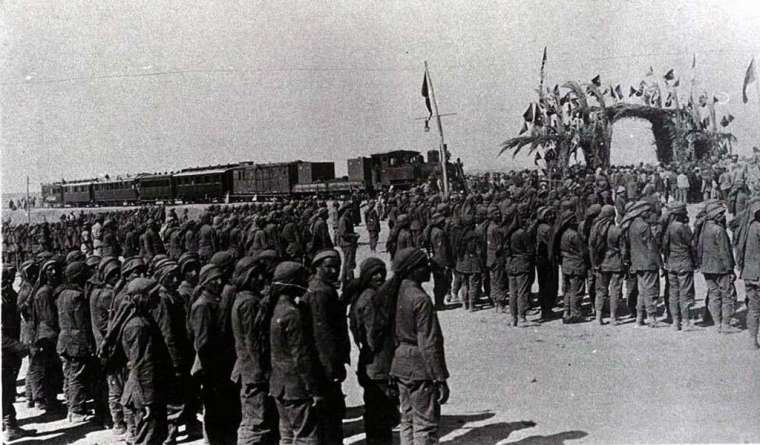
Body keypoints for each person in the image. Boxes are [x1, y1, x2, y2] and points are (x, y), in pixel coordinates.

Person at [388, 248, 449, 444]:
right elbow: (429, 343)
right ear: (412, 269)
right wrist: (439, 377)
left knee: (407, 419)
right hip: (419, 366)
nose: (429, 269)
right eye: (424, 265)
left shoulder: (396, 291)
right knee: (425, 424)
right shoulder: (420, 299)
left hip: (399, 363)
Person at [269, 261, 323, 444]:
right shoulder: (293, 314)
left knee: (286, 435)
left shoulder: (276, 309)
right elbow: (300, 356)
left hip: (279, 385)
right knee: (306, 437)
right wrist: (312, 389)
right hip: (296, 387)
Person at [347, 258, 399, 444]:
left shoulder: (362, 296)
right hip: (378, 363)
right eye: (374, 273)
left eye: (381, 272)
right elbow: (372, 336)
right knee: (380, 412)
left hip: (369, 362)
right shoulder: (370, 299)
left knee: (376, 411)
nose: (379, 276)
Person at [231, 253, 279, 444]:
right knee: (255, 423)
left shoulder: (244, 298)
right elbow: (254, 342)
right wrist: (264, 372)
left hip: (249, 369)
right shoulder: (249, 303)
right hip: (254, 372)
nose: (261, 278)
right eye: (255, 275)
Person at [189, 264, 240, 444]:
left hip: (218, 365)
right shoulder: (203, 306)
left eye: (220, 278)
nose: (219, 282)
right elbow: (202, 343)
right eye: (214, 280)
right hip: (212, 368)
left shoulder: (214, 301)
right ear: (205, 283)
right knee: (214, 411)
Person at [305, 249, 350, 443]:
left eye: (336, 267)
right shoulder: (320, 293)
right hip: (325, 366)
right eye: (328, 267)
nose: (333, 271)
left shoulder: (322, 288)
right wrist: (332, 368)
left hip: (326, 364)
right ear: (317, 268)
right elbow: (323, 336)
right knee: (330, 417)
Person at [120, 278, 171, 445]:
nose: (157, 298)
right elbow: (142, 364)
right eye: (153, 295)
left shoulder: (141, 319)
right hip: (145, 392)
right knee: (148, 438)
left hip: (145, 389)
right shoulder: (138, 326)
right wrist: (148, 401)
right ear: (142, 297)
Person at [56, 261, 96, 423]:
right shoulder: (77, 296)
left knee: (69, 375)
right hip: (76, 342)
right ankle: (77, 410)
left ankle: (71, 409)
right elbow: (83, 324)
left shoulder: (62, 293)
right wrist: (90, 345)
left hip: (64, 340)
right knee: (77, 376)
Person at [696, 201, 739, 333]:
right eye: (720, 213)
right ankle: (726, 324)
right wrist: (730, 269)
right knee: (727, 295)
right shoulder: (719, 230)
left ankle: (717, 324)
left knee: (714, 295)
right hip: (721, 268)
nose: (722, 215)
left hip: (707, 267)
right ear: (715, 215)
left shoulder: (703, 228)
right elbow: (725, 252)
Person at [2, 264, 35, 441]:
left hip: (9, 354)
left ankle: (8, 423)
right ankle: (9, 427)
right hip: (5, 353)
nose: (9, 283)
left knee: (7, 389)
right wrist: (19, 346)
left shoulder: (8, 295)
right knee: (5, 390)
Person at [622, 201, 660, 327]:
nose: (649, 213)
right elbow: (651, 246)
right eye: (647, 211)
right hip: (648, 262)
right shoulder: (644, 226)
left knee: (641, 292)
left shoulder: (631, 225)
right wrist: (659, 262)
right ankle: (652, 317)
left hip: (637, 262)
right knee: (651, 291)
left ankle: (639, 318)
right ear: (641, 212)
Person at [662, 202, 696, 331]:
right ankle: (686, 321)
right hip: (684, 262)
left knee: (673, 293)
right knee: (685, 293)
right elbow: (691, 244)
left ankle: (675, 322)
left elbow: (664, 246)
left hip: (671, 263)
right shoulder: (682, 227)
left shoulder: (668, 227)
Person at [589, 205, 624, 325]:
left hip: (601, 264)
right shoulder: (617, 230)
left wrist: (594, 264)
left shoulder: (595, 229)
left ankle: (598, 317)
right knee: (615, 291)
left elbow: (592, 248)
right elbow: (623, 250)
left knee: (601, 291)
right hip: (616, 263)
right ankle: (613, 317)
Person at [735, 198, 760, 349]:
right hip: (758, 274)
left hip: (748, 273)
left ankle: (752, 340)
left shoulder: (744, 228)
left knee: (753, 308)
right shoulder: (758, 228)